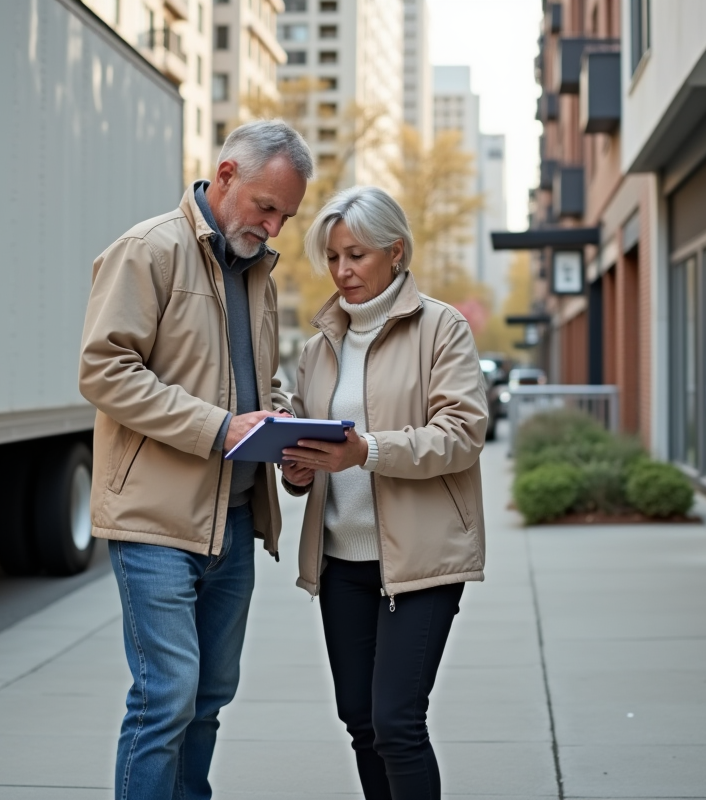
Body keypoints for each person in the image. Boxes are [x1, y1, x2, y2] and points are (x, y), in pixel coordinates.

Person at [78, 120, 313, 800]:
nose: (272, 227)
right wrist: (220, 428)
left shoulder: (258, 275)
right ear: (227, 174)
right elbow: (104, 371)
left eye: (286, 217)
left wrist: (285, 429)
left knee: (209, 697)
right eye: (266, 207)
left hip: (234, 523)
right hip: (155, 521)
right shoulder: (148, 251)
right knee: (167, 697)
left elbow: (255, 384)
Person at [280, 186, 488, 800]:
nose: (342, 271)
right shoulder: (320, 348)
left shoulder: (441, 329)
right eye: (333, 257)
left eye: (356, 255)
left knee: (397, 724)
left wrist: (364, 450)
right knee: (363, 724)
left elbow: (461, 434)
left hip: (418, 562)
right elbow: (311, 440)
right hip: (341, 562)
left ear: (395, 252)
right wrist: (298, 470)